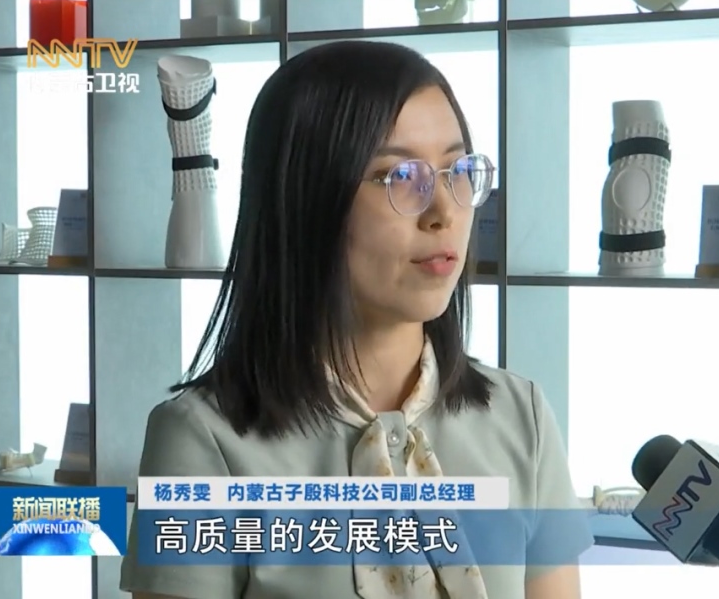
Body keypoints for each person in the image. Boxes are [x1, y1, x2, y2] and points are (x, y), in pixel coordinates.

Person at [119, 40, 594, 599]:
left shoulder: (521, 415)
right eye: (399, 176)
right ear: (303, 199)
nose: (444, 212)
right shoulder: (203, 440)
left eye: (456, 170)